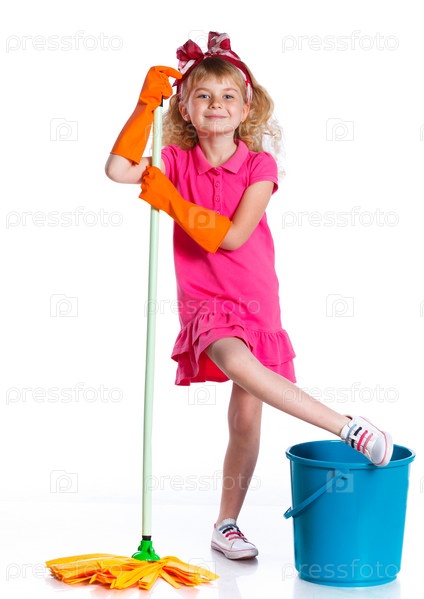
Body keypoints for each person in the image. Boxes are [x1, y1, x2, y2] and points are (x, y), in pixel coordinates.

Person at [105, 31, 393, 561]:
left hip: (256, 300)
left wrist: (171, 203)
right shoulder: (174, 161)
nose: (216, 104)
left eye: (227, 96)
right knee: (235, 359)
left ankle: (226, 524)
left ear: (246, 108)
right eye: (202, 95)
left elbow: (234, 236)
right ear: (185, 109)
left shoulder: (260, 166)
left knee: (244, 421)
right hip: (206, 302)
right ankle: (347, 426)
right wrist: (144, 106)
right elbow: (119, 169)